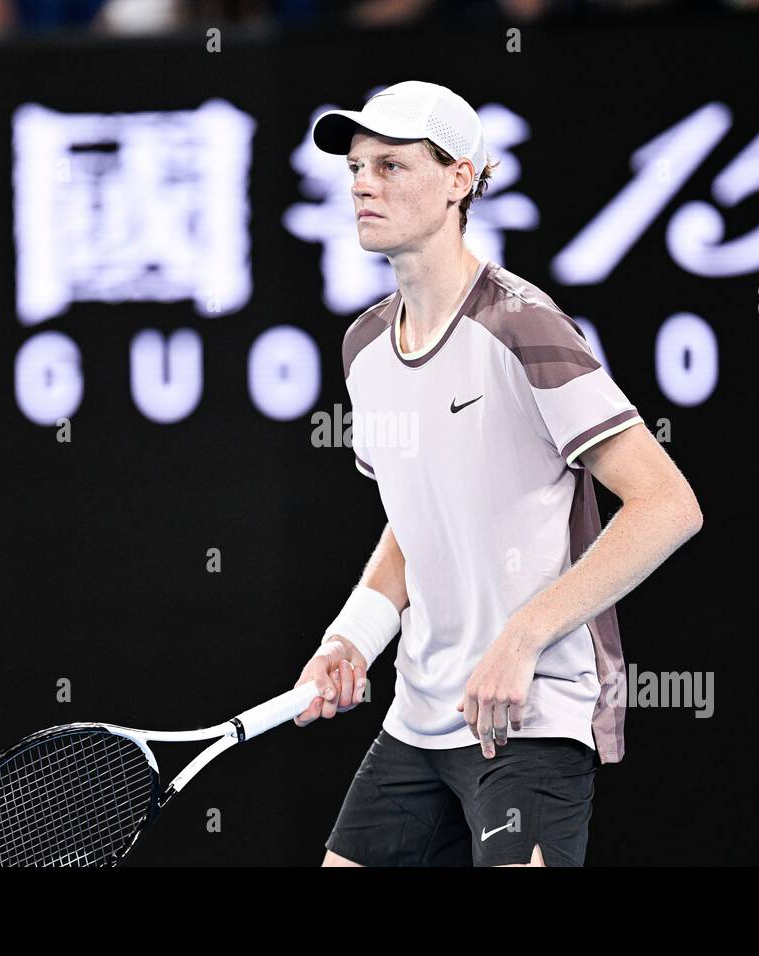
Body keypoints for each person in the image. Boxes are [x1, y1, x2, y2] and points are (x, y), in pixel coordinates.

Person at [295, 80, 702, 866]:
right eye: (355, 167)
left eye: (390, 165)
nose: (362, 185)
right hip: (418, 716)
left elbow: (668, 503)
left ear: (459, 179)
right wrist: (352, 638)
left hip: (532, 717)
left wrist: (523, 635)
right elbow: (415, 522)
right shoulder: (364, 350)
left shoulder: (524, 326)